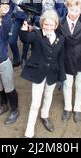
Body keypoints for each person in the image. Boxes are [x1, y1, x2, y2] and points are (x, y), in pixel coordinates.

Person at [20, 9, 66, 138]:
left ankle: (45, 115)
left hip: (52, 74)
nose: (49, 27)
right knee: (35, 103)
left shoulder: (60, 39)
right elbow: (25, 39)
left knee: (48, 96)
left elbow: (61, 58)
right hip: (38, 73)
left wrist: (61, 77)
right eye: (46, 24)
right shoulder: (36, 34)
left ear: (56, 25)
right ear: (42, 24)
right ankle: (30, 129)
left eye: (52, 25)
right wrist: (23, 29)